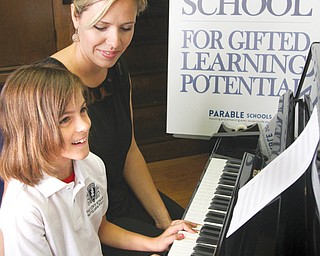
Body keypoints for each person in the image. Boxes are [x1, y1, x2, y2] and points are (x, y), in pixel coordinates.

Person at [0, 64, 196, 256]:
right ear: (31, 130)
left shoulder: (91, 164)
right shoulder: (24, 208)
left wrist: (155, 244)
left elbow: (100, 228)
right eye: (65, 120)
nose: (84, 125)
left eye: (83, 110)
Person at [44, 0, 185, 254]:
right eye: (101, 27)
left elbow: (129, 150)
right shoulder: (47, 85)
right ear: (76, 17)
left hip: (120, 196)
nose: (115, 43)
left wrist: (163, 220)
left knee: (195, 231)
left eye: (126, 28)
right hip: (86, 222)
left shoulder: (117, 67)